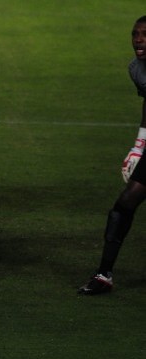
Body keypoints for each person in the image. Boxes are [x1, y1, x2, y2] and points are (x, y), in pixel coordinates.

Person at [78, 16, 146, 295]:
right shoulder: (137, 69)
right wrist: (139, 145)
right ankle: (104, 274)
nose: (138, 39)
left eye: (144, 34)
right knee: (125, 203)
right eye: (135, 34)